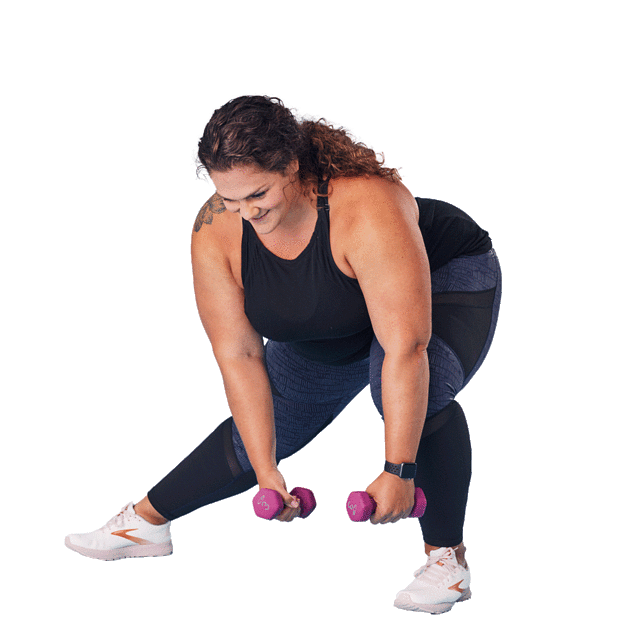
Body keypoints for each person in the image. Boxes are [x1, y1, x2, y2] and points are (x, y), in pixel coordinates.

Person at [65, 95, 501, 615]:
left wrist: (399, 469)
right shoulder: (216, 229)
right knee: (272, 421)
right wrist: (266, 469)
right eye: (230, 199)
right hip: (337, 308)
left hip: (444, 277)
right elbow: (239, 356)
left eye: (258, 194)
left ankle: (447, 561)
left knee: (402, 393)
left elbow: (405, 347)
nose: (247, 213)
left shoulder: (366, 205)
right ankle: (145, 524)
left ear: (292, 165)